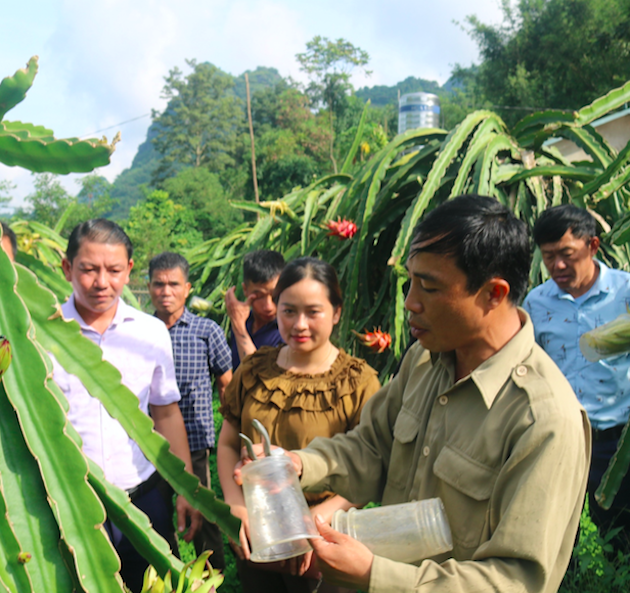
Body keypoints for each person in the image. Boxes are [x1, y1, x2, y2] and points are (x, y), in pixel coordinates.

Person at [242, 196, 590, 592]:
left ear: (493, 293)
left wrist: (374, 574)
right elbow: (372, 449)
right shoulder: (425, 361)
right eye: (410, 282)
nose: (410, 302)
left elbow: (514, 581)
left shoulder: (543, 420)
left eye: (429, 287)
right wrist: (299, 464)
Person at [50, 219, 202, 592]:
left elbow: (165, 412)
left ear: (129, 270)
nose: (102, 282)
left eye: (114, 270)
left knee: (154, 585)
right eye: (89, 269)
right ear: (67, 268)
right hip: (70, 499)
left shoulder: (150, 332)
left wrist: (186, 488)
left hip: (142, 498)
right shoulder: (42, 331)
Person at [217, 257, 381, 593]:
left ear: (336, 312)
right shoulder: (254, 370)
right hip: (258, 531)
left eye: (313, 312)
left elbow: (370, 467)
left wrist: (314, 520)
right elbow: (228, 443)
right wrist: (236, 506)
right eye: (289, 311)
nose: (299, 324)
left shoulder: (357, 382)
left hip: (324, 536)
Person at [524, 204, 630, 538]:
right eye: (548, 256)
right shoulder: (536, 303)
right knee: (553, 533)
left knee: (619, 533)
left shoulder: (625, 292)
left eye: (567, 254)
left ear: (592, 246)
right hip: (560, 437)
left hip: (616, 439)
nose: (557, 265)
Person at [148, 251, 233, 570]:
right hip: (149, 442)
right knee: (153, 514)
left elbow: (226, 383)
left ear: (187, 288)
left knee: (203, 512)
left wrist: (233, 435)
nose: (165, 291)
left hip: (195, 439)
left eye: (173, 284)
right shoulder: (140, 330)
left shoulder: (206, 330)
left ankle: (211, 577)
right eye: (158, 284)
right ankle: (166, 576)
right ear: (149, 286)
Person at [225, 250, 285, 369]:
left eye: (275, 296)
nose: (268, 307)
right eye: (258, 296)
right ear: (245, 290)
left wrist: (239, 329)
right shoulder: (244, 321)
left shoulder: (287, 330)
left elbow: (256, 374)